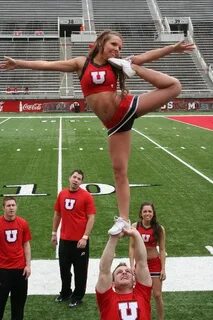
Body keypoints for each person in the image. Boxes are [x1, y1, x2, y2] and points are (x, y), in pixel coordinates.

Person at [0, 30, 195, 235]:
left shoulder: (117, 63)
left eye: (120, 47)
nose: (117, 49)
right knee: (119, 171)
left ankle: (134, 69)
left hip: (126, 108)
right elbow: (48, 65)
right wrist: (19, 63)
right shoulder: (81, 63)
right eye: (113, 45)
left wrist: (171, 49)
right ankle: (124, 220)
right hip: (115, 125)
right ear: (101, 43)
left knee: (174, 86)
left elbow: (149, 55)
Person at [51, 169, 96, 308]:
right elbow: (57, 214)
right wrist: (54, 233)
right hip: (65, 240)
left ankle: (77, 296)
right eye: (74, 177)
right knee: (64, 269)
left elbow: (91, 218)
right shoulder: (62, 194)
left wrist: (85, 237)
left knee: (80, 271)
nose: (76, 180)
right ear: (69, 178)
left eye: (79, 178)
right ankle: (65, 292)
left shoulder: (86, 196)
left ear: (81, 182)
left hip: (80, 241)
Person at [96, 226, 152, 319]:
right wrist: (114, 237)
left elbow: (142, 263)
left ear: (134, 281)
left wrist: (136, 234)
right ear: (112, 283)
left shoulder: (142, 292)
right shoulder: (107, 298)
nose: (124, 273)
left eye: (128, 271)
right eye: (119, 272)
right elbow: (104, 270)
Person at [129, 202, 166, 320]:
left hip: (155, 263)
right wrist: (131, 265)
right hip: (140, 264)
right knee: (142, 295)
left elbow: (162, 249)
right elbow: (132, 247)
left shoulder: (159, 228)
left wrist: (163, 269)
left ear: (153, 213)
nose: (147, 214)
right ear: (141, 213)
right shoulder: (135, 226)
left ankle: (161, 318)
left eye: (150, 211)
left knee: (157, 294)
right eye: (145, 211)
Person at [0, 196, 31, 320]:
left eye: (13, 205)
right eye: (8, 205)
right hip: (3, 270)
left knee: (18, 307)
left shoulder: (23, 223)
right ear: (3, 208)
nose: (11, 208)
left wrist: (28, 265)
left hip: (20, 270)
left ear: (16, 207)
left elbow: (26, 244)